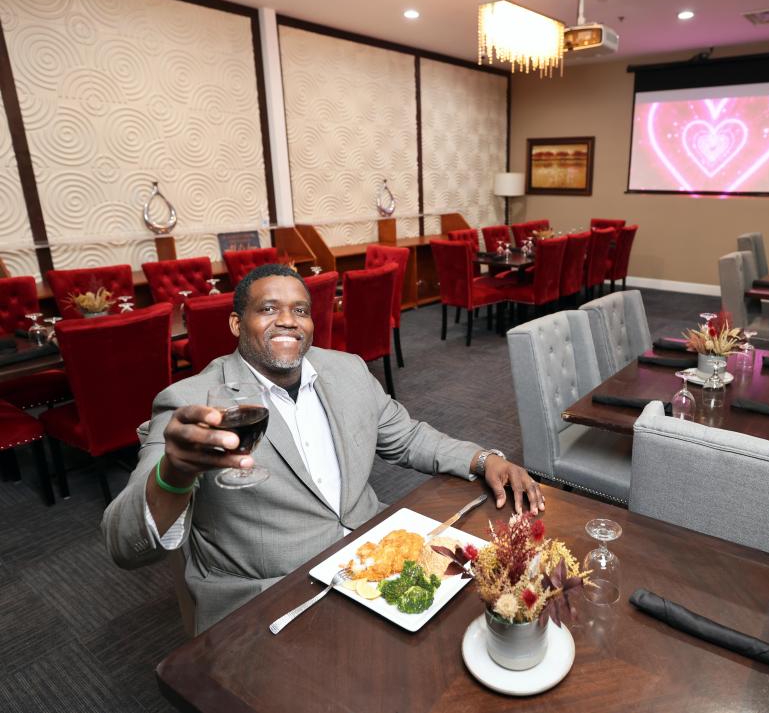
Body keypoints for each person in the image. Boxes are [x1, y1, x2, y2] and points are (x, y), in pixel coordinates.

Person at [102, 264, 544, 634]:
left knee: (487, 623)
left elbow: (407, 436)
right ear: (237, 323)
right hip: (274, 596)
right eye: (268, 309)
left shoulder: (347, 370)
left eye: (300, 310)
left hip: (374, 557)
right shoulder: (191, 402)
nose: (289, 320)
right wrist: (173, 475)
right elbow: (124, 545)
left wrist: (485, 458)